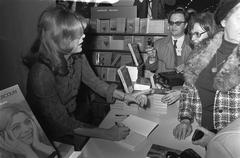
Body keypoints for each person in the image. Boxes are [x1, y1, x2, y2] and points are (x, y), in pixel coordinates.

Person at [24, 5, 147, 150]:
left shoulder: (78, 56)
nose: (83, 36)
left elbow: (94, 82)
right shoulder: (40, 74)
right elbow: (60, 122)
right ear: (59, 39)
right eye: (77, 34)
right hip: (46, 136)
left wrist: (126, 97)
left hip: (72, 124)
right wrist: (107, 134)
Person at [173, 0, 240, 149]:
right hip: (199, 134)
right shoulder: (202, 51)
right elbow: (188, 89)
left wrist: (217, 141)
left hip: (229, 145)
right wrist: (185, 118)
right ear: (224, 20)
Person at [161, 12, 218, 105]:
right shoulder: (199, 54)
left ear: (210, 32)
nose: (193, 38)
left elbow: (214, 91)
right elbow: (193, 84)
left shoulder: (220, 57)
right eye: (192, 34)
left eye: (197, 34)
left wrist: (181, 93)